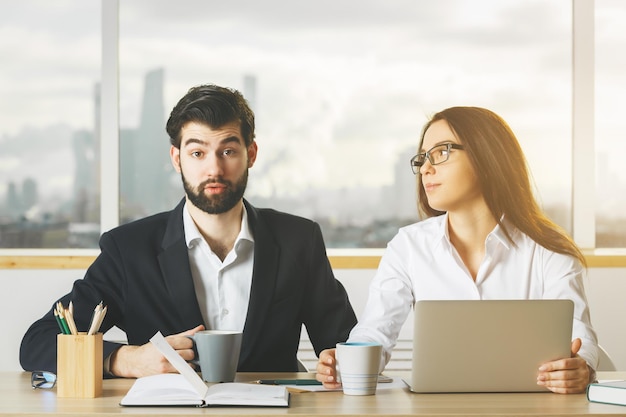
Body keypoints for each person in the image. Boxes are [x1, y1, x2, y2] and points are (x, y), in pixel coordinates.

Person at [20, 84, 357, 377]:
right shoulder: (129, 249)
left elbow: (346, 344)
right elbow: (37, 342)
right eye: (197, 152)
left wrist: (340, 361)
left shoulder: (298, 240)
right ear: (177, 159)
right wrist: (125, 359)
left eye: (228, 150)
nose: (214, 168)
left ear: (250, 154)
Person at [315, 106, 598, 394]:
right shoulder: (408, 246)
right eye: (423, 157)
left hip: (529, 407)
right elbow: (376, 331)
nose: (426, 167)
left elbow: (579, 338)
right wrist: (344, 361)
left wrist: (581, 368)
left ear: (487, 156)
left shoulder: (547, 248)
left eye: (442, 152)